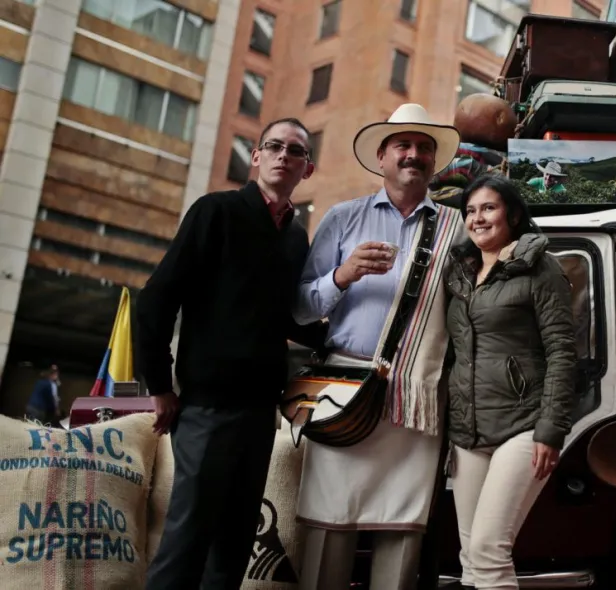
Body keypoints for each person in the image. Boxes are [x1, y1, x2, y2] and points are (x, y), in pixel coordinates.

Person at [138, 117, 328, 590]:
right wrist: (159, 385)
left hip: (262, 412)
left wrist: (347, 336)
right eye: (274, 146)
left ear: (307, 169)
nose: (284, 155)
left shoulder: (295, 237)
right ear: (256, 157)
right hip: (207, 407)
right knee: (187, 542)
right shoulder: (215, 212)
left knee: (234, 546)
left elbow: (289, 318)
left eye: (296, 151)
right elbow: (157, 298)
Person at [292, 103, 465, 590]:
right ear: (381, 157)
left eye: (424, 147)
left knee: (403, 526)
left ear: (434, 161)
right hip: (344, 386)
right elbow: (300, 309)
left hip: (418, 391)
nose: (414, 154)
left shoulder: (458, 227)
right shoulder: (343, 217)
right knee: (329, 519)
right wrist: (343, 275)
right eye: (402, 145)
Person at [443, 174, 577, 589]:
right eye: (470, 211)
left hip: (523, 426)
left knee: (488, 550)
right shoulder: (460, 273)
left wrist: (550, 429)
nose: (478, 218)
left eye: (489, 208)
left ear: (513, 214)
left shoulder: (540, 268)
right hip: (468, 430)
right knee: (471, 557)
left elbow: (562, 351)